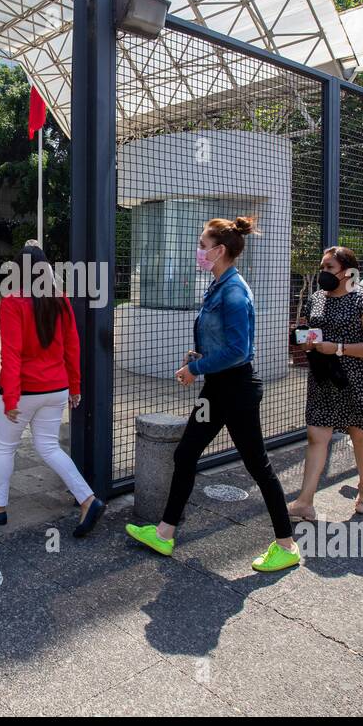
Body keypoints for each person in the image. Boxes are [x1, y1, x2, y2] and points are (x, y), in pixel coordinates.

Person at [125, 218, 299, 568]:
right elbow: (222, 342)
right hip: (218, 389)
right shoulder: (219, 284)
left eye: (203, 245)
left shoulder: (233, 291)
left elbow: (238, 350)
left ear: (219, 251)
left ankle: (287, 546)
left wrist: (195, 368)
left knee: (258, 465)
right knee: (186, 453)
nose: (198, 251)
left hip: (235, 391)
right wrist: (201, 358)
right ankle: (163, 534)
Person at [0, 244, 105, 536]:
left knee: (5, 448)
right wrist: (75, 385)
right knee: (49, 447)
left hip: (24, 390)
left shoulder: (12, 301)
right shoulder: (59, 300)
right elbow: (73, 345)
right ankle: (88, 499)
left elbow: (11, 354)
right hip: (56, 387)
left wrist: (9, 397)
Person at [284, 246, 363, 520]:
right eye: (322, 267)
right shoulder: (317, 298)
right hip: (323, 377)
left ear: (347, 271)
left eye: (329, 268)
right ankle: (305, 501)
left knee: (359, 434)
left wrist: (339, 348)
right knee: (316, 436)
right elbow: (310, 329)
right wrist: (306, 341)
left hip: (356, 378)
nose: (323, 273)